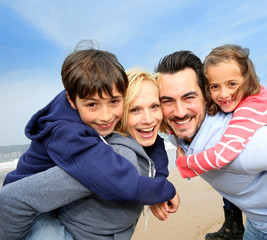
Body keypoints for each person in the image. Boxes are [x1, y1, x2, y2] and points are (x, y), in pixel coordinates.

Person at [155, 50, 267, 239]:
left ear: (205, 97)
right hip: (256, 225)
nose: (179, 112)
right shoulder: (179, 130)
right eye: (167, 101)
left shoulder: (245, 146)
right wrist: (155, 188)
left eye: (189, 97)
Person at [0, 42, 178, 239]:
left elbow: (155, 146)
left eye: (155, 106)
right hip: (32, 213)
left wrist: (160, 178)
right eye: (135, 109)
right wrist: (165, 191)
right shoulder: (89, 146)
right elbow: (120, 181)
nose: (105, 116)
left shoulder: (88, 107)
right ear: (72, 100)